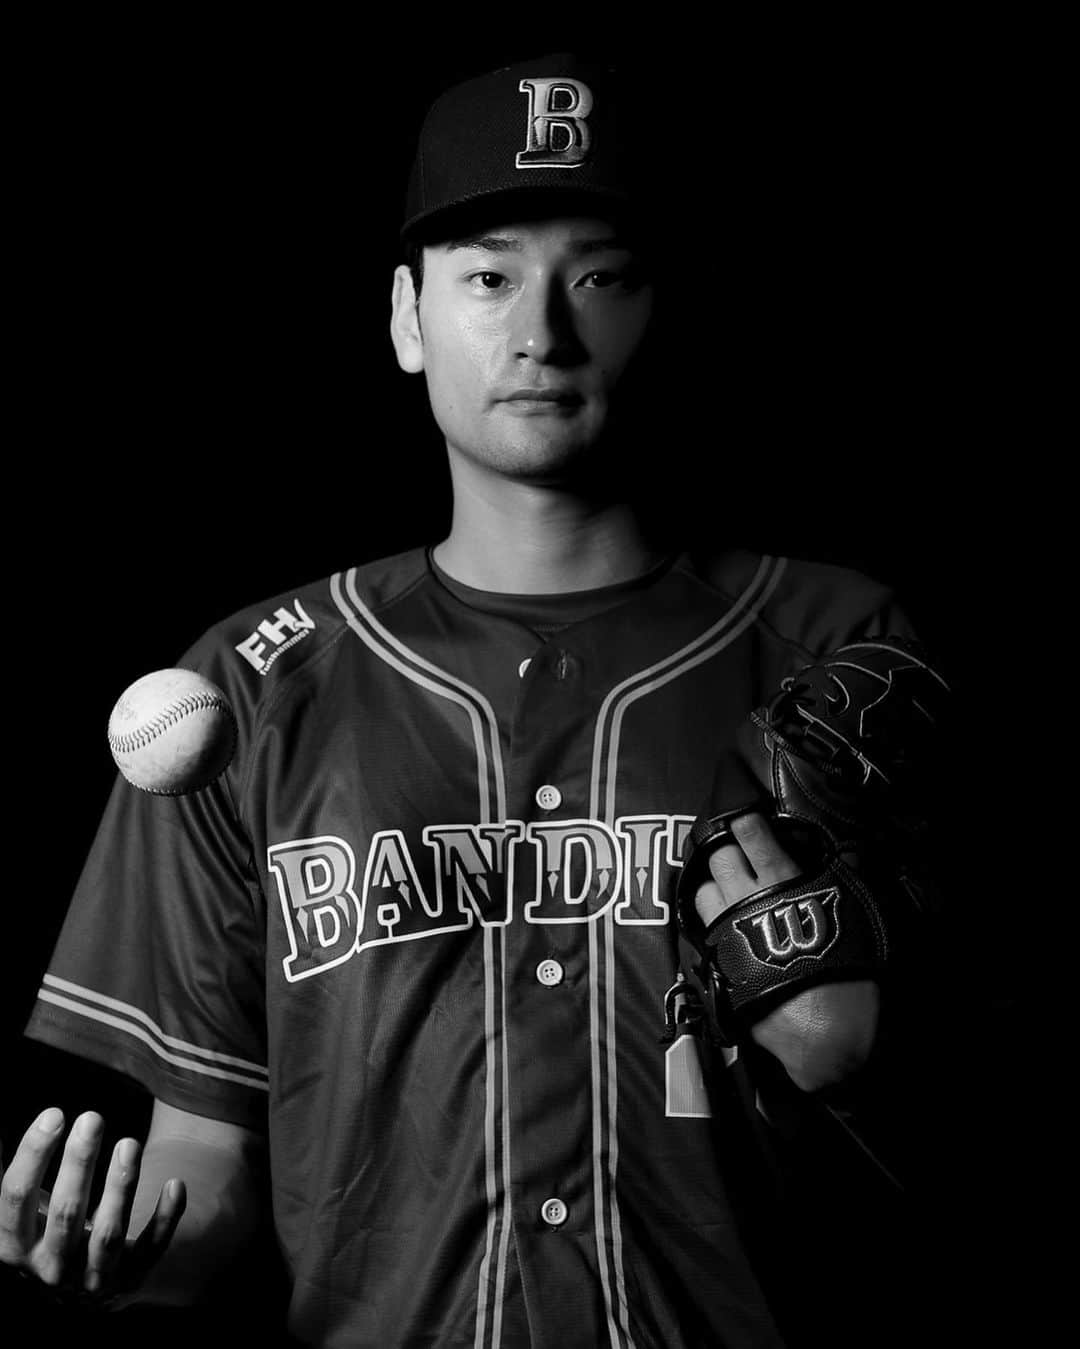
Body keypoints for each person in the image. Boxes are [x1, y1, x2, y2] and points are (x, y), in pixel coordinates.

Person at [1, 52, 946, 1347]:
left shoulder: (841, 649)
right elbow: (208, 1177)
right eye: (490, 276)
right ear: (407, 316)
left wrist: (870, 1055)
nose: (541, 332)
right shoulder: (251, 684)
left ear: (671, 307)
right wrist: (125, 1253)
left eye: (600, 276)